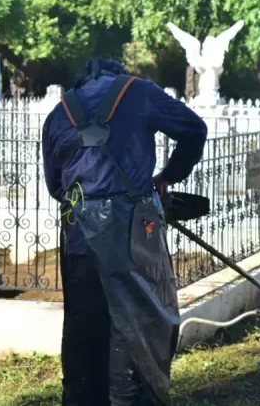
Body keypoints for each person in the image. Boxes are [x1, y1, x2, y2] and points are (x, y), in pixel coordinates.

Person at [42, 58, 208, 406]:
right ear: (117, 75)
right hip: (133, 233)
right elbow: (194, 130)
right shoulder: (139, 92)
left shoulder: (59, 113)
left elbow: (56, 186)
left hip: (78, 236)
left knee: (84, 327)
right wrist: (167, 178)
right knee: (139, 320)